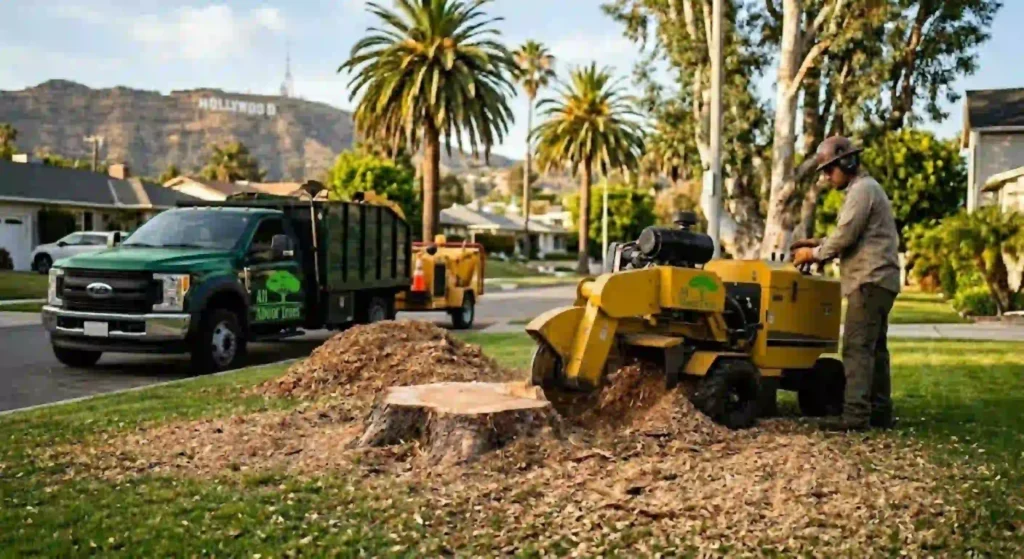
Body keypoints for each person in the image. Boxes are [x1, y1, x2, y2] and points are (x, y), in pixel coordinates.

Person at [792, 136, 901, 431]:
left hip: (869, 280)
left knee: (855, 348)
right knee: (875, 350)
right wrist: (817, 243)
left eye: (829, 169)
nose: (827, 177)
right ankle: (879, 412)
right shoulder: (866, 190)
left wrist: (812, 254)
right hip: (881, 279)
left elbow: (845, 237)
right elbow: (853, 234)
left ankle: (855, 416)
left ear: (847, 162)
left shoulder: (862, 190)